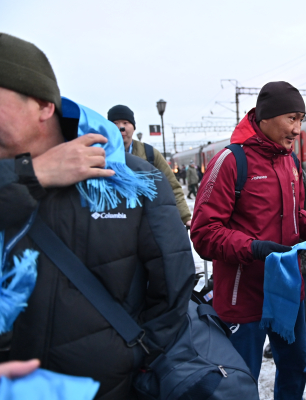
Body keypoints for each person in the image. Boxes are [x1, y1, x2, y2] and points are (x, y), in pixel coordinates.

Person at [0, 33, 194, 399]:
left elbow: (173, 278)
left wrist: (135, 354)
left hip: (102, 385)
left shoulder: (133, 176)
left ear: (43, 106)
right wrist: (30, 176)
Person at [190, 81, 306, 400]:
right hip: (243, 296)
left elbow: (299, 217)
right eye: (292, 118)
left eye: (301, 119)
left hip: (287, 290)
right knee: (241, 380)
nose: (297, 129)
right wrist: (254, 248)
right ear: (265, 118)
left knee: (295, 366)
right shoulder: (230, 161)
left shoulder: (291, 163)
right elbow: (203, 234)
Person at [264, 170, 306, 360]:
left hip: (299, 249)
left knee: (304, 299)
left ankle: (305, 339)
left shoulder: (294, 168)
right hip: (270, 251)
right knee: (275, 296)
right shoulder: (254, 169)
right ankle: (278, 339)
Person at [107, 105, 191, 227]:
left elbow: (172, 187)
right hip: (112, 222)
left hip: (144, 223)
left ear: (133, 127)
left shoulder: (150, 154)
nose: (121, 127)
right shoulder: (100, 153)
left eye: (126, 122)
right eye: (115, 123)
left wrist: (186, 217)